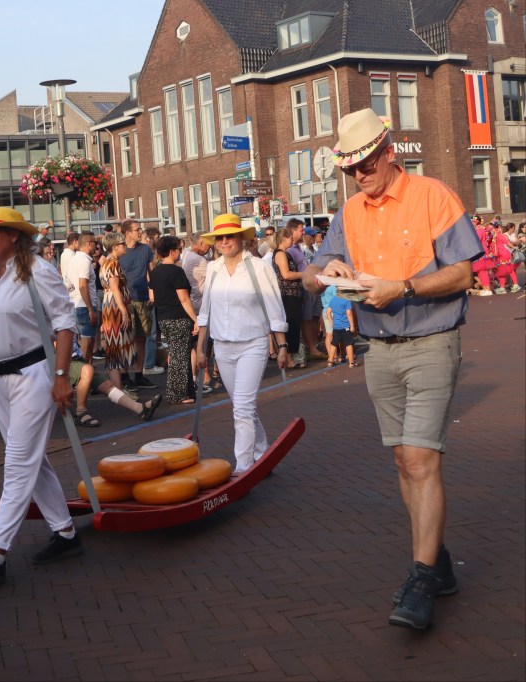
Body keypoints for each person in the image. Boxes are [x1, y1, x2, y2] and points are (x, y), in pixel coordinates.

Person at [302, 109, 481, 630]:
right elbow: (312, 272)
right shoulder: (349, 211)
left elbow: (463, 274)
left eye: (365, 164)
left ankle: (421, 578)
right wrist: (324, 273)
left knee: (422, 460)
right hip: (378, 349)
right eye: (349, 168)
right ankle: (438, 562)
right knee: (404, 460)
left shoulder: (433, 196)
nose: (358, 175)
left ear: (389, 153)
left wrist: (402, 287)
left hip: (432, 341)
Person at [0, 207, 80, 585]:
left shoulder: (37, 271)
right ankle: (66, 532)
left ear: (14, 235)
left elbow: (65, 324)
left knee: (17, 461)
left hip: (33, 375)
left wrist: (62, 377)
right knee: (31, 458)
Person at [196, 213, 290, 475]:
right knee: (241, 406)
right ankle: (262, 454)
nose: (224, 241)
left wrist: (282, 346)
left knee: (243, 408)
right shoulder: (213, 268)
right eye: (219, 238)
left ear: (241, 238)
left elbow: (274, 307)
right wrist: (201, 348)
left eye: (230, 236)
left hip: (253, 344)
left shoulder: (258, 267)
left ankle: (244, 467)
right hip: (222, 346)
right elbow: (206, 310)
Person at [149, 236, 199, 405]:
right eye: (179, 249)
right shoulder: (176, 271)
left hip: (163, 317)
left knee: (176, 353)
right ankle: (179, 394)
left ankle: (177, 391)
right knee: (181, 356)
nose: (180, 252)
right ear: (172, 251)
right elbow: (184, 299)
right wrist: (195, 319)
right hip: (178, 316)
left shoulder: (155, 271)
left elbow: (152, 297)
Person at [117, 220, 159, 385]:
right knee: (126, 339)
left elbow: (150, 272)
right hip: (127, 300)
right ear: (128, 233)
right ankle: (124, 375)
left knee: (142, 337)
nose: (140, 232)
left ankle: (139, 374)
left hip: (142, 298)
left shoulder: (145, 249)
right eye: (137, 230)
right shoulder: (120, 251)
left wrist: (152, 291)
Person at [69, 358, 162, 428]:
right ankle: (81, 412)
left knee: (107, 385)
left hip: (76, 359)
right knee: (87, 370)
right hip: (65, 363)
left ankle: (140, 409)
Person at [98, 232, 136, 391]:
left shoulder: (106, 262)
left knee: (114, 346)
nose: (125, 246)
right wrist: (125, 312)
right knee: (116, 346)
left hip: (110, 306)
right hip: (115, 307)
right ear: (114, 247)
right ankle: (118, 388)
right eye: (122, 244)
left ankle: (118, 388)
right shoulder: (112, 263)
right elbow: (115, 289)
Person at [272, 226, 306, 368]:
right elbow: (286, 274)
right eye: (291, 238)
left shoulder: (286, 253)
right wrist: (304, 274)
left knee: (294, 325)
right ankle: (289, 358)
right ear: (284, 238)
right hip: (287, 295)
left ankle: (290, 356)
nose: (292, 240)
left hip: (293, 295)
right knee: (291, 325)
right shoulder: (280, 254)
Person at [66, 232, 100, 364]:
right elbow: (82, 285)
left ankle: (87, 371)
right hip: (84, 306)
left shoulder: (74, 258)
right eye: (95, 243)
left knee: (87, 344)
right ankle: (83, 373)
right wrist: (90, 309)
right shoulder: (84, 260)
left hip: (76, 304)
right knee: (87, 344)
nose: (96, 246)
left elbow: (70, 284)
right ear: (89, 243)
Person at [324, 291, 359, 368]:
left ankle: (330, 361)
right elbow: (349, 313)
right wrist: (352, 326)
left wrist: (332, 322)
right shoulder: (346, 300)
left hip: (336, 326)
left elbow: (328, 312)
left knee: (334, 343)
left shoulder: (333, 299)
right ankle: (351, 362)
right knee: (348, 344)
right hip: (345, 326)